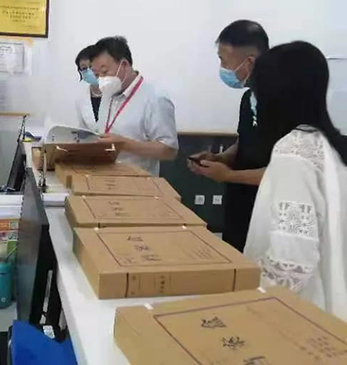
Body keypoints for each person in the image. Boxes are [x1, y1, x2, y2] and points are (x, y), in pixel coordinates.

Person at [244, 41, 347, 320]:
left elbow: (291, 264)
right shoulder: (329, 144)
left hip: (299, 314)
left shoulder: (293, 151)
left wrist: (247, 300)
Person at [188, 20, 270, 252]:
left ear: (249, 62)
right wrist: (220, 158)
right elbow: (245, 142)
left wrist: (229, 175)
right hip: (239, 205)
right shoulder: (248, 99)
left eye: (224, 60)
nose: (222, 67)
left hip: (266, 208)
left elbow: (283, 171)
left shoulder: (282, 103)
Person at [91, 36, 178, 175]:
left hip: (138, 183)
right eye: (97, 75)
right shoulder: (108, 93)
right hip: (104, 177)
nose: (101, 79)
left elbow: (169, 151)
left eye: (105, 72)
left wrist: (124, 144)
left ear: (124, 65)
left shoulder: (155, 98)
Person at [75, 45, 101, 132]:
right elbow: (82, 131)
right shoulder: (80, 98)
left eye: (92, 65)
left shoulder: (117, 93)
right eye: (84, 68)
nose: (90, 70)